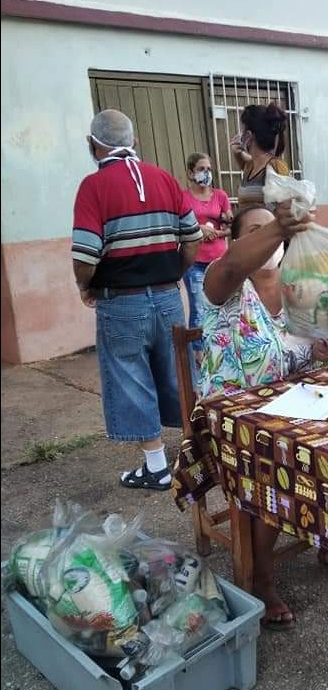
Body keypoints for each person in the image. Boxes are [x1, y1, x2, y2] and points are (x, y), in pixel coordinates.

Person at [200, 204, 328, 627]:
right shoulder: (225, 288)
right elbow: (228, 265)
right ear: (238, 241)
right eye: (256, 231)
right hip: (229, 421)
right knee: (277, 457)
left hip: (284, 408)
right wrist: (280, 224)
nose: (271, 240)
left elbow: (293, 357)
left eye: (276, 232)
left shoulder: (296, 291)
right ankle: (261, 577)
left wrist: (318, 351)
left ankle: (327, 531)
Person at [72, 109, 202, 491]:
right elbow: (192, 238)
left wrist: (86, 286)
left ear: (93, 145)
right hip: (167, 298)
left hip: (121, 302)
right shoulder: (164, 178)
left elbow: (85, 255)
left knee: (132, 378)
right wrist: (174, 274)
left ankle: (157, 466)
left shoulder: (93, 187)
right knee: (180, 376)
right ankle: (198, 456)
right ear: (135, 142)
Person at [181, 152, 233, 359]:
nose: (206, 173)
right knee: (198, 309)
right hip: (194, 262)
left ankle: (225, 348)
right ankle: (200, 357)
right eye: (201, 169)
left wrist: (218, 232)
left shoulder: (220, 196)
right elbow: (179, 226)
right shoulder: (183, 198)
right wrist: (198, 229)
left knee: (225, 305)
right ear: (190, 173)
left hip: (219, 260)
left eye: (209, 169)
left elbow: (231, 226)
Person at [230, 102, 291, 214]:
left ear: (248, 135)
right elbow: (245, 161)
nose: (240, 135)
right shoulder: (250, 167)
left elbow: (286, 211)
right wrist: (237, 152)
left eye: (242, 131)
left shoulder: (275, 166)